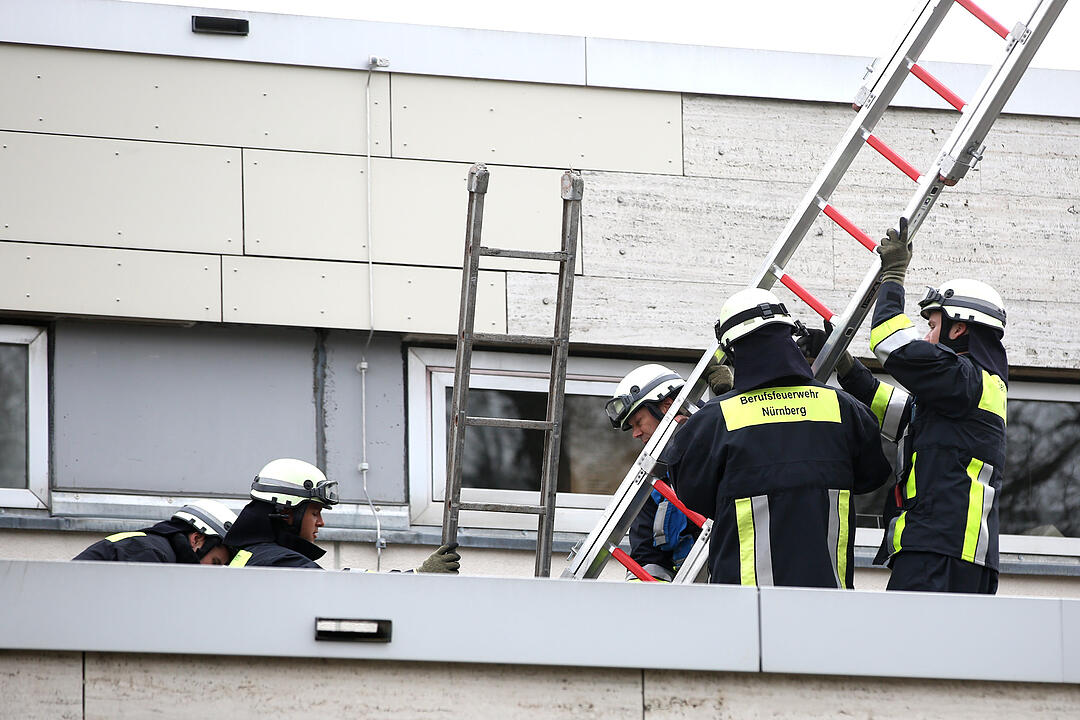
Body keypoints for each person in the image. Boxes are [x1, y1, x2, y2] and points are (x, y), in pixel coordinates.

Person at [660, 288, 891, 588]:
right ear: (790, 336)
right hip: (829, 601)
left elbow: (694, 495)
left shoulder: (714, 422)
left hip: (747, 609)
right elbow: (872, 477)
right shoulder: (843, 409)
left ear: (731, 351)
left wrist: (726, 398)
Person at [841, 218, 1008, 594]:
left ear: (959, 327)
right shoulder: (973, 385)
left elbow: (888, 340)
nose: (927, 335)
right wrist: (849, 372)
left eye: (932, 324)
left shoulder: (964, 377)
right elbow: (905, 417)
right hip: (952, 551)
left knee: (907, 650)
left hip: (939, 550)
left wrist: (893, 276)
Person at [225, 458, 461, 573]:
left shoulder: (250, 554)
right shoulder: (281, 562)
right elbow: (343, 589)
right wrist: (418, 578)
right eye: (315, 512)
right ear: (287, 512)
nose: (321, 522)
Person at [73, 499, 236, 565]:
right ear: (197, 539)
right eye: (215, 563)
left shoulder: (156, 549)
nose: (214, 573)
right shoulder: (148, 554)